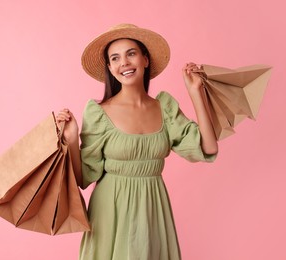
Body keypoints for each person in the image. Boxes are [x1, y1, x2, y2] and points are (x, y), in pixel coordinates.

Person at [56, 23, 218, 260]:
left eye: (131, 53)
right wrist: (70, 140)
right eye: (115, 58)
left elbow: (209, 147)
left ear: (145, 59)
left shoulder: (165, 108)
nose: (124, 63)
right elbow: (83, 179)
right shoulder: (98, 113)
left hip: (153, 208)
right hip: (110, 210)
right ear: (110, 68)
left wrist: (196, 93)